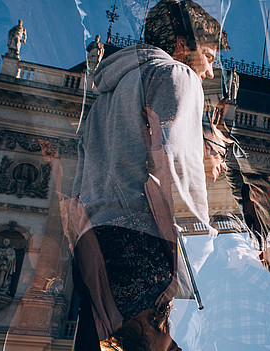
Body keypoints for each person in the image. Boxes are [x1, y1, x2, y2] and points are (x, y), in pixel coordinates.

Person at [69, 0, 228, 349]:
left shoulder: (105, 96)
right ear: (182, 45)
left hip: (95, 249)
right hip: (145, 249)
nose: (211, 72)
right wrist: (198, 253)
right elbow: (176, 169)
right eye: (209, 57)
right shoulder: (178, 75)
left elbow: (77, 182)